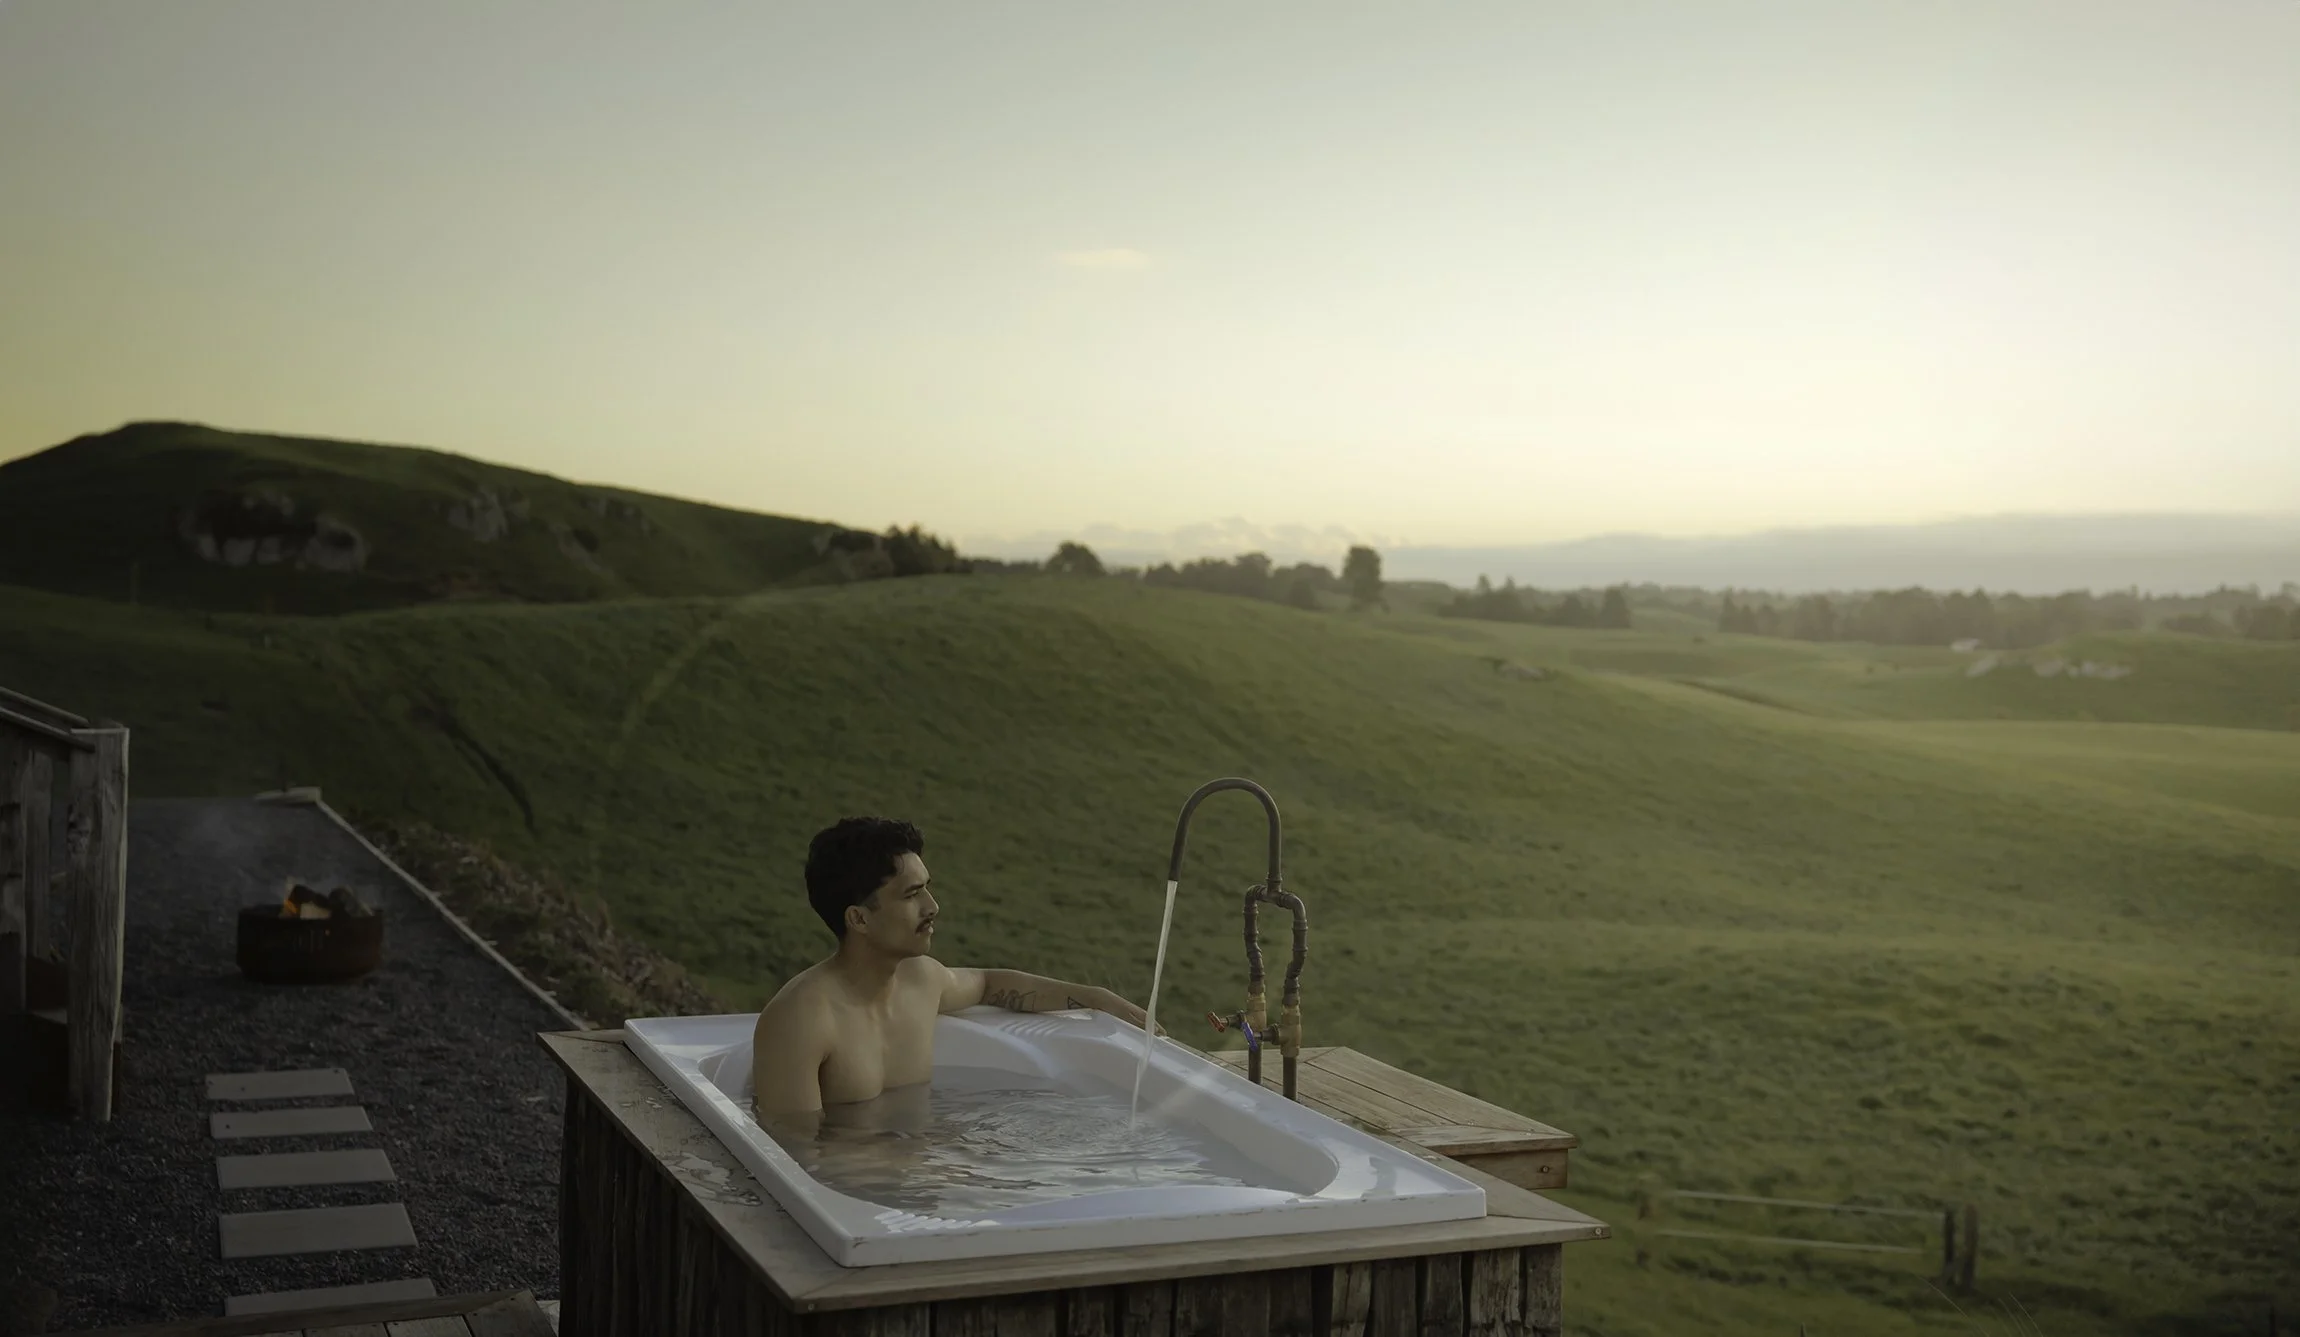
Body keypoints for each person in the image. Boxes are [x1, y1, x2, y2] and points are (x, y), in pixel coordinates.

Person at [750, 816, 1155, 1124]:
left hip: (916, 1173)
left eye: (927, 887)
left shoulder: (921, 979)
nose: (933, 907)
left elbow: (988, 983)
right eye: (912, 894)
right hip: (855, 1198)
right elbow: (794, 1152)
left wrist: (1095, 998)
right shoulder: (800, 1019)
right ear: (858, 919)